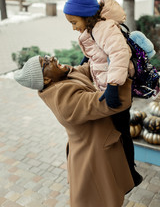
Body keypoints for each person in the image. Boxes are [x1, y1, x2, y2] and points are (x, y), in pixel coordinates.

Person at [14, 55, 135, 207]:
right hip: (93, 159)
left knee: (110, 196)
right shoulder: (64, 101)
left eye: (45, 56)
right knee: (104, 200)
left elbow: (84, 70)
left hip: (96, 146)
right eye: (45, 62)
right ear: (46, 80)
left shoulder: (63, 77)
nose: (51, 58)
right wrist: (122, 72)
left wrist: (100, 54)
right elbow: (108, 103)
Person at [63, 0, 143, 186]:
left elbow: (118, 54)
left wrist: (113, 86)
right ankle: (117, 169)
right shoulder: (92, 30)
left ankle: (131, 173)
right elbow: (100, 55)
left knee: (122, 130)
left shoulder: (102, 28)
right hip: (107, 87)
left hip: (117, 88)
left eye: (74, 22)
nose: (73, 28)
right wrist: (86, 62)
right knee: (113, 130)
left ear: (86, 16)